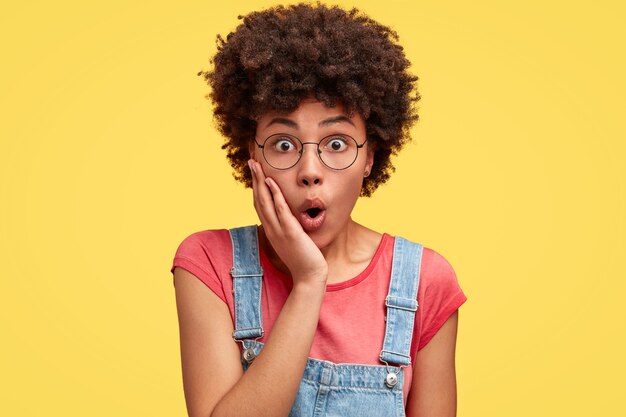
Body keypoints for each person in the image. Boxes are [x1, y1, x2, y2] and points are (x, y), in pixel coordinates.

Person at [170, 3, 467, 416]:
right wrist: (310, 281)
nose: (310, 172)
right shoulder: (208, 264)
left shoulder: (424, 283)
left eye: (337, 144)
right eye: (284, 144)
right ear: (251, 153)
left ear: (370, 156)